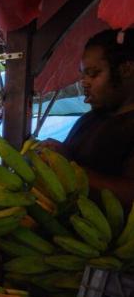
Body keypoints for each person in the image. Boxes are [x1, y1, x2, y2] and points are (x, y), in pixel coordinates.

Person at [41, 29, 134, 206]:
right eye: (83, 74)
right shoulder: (88, 120)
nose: (84, 82)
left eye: (93, 73)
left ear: (126, 69)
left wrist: (68, 168)